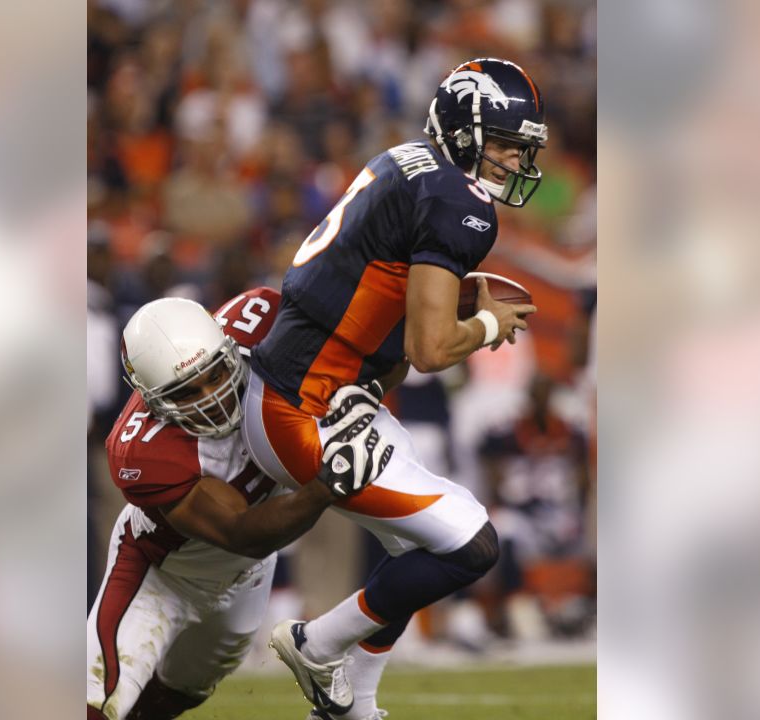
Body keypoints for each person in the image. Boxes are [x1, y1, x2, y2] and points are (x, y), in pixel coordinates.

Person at [240, 58, 545, 719]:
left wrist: (388, 362)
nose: (513, 158)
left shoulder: (405, 160)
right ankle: (314, 642)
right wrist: (488, 321)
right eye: (502, 141)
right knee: (472, 545)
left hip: (309, 388)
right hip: (300, 409)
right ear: (464, 132)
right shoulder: (457, 203)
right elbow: (429, 350)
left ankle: (356, 706)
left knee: (419, 548)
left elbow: (384, 333)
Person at [86, 287, 394, 720]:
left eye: (215, 373)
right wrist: (325, 486)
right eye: (186, 393)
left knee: (183, 692)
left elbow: (367, 340)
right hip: (161, 574)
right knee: (97, 704)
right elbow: (242, 532)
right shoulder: (142, 451)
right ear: (153, 399)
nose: (212, 396)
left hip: (246, 578)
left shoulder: (264, 321)